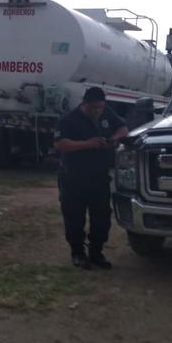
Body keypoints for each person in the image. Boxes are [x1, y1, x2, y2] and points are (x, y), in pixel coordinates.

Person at [54, 87, 128, 269]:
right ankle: (78, 253)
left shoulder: (106, 113)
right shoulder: (69, 120)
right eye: (93, 108)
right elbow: (59, 144)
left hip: (99, 178)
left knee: (102, 218)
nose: (97, 112)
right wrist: (87, 144)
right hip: (73, 178)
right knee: (74, 218)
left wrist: (113, 138)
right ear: (84, 104)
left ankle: (96, 252)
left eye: (100, 108)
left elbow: (124, 128)